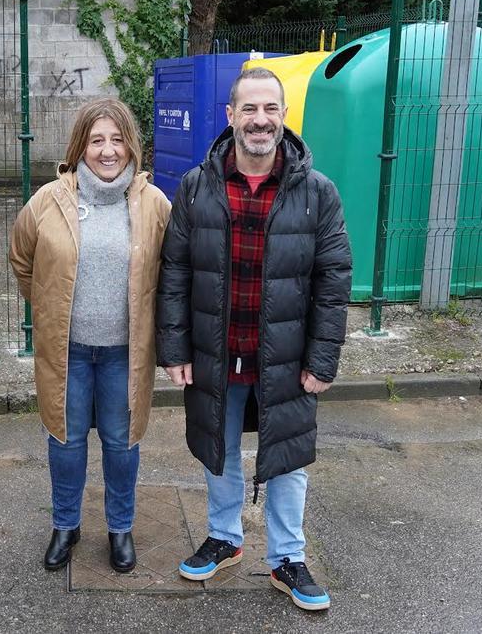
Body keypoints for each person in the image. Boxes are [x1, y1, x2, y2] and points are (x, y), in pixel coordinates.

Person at [156, 66, 351, 611]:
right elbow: (174, 273)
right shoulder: (198, 187)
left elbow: (334, 280)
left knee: (287, 457)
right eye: (249, 109)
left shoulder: (317, 193)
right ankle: (225, 537)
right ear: (230, 116)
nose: (259, 121)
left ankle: (287, 557)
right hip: (215, 350)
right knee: (217, 449)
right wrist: (174, 348)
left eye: (270, 109)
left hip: (286, 356)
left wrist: (323, 358)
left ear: (283, 117)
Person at [9, 98, 171, 574]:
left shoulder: (153, 204)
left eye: (117, 139)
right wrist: (52, 307)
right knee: (65, 441)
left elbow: (173, 269)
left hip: (126, 353)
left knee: (121, 445)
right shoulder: (49, 201)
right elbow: (22, 260)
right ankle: (65, 524)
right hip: (69, 352)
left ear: (131, 146)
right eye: (97, 140)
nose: (107, 151)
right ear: (81, 144)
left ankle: (120, 528)